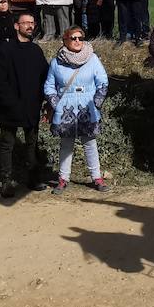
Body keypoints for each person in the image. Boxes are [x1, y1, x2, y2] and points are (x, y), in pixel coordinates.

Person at [0, 11, 50, 197]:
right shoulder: (4, 50)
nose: (30, 26)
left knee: (32, 143)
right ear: (17, 26)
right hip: (10, 107)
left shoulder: (36, 50)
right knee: (7, 144)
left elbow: (45, 78)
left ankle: (32, 178)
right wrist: (11, 103)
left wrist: (44, 100)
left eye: (32, 23)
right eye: (25, 23)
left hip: (31, 106)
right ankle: (6, 182)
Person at [44, 27, 110, 195]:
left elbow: (102, 81)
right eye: (73, 38)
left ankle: (96, 177)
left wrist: (97, 102)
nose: (77, 41)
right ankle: (63, 179)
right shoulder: (56, 62)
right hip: (65, 105)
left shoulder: (92, 58)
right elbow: (49, 86)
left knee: (90, 143)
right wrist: (55, 103)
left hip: (87, 105)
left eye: (80, 38)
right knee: (66, 144)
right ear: (65, 40)